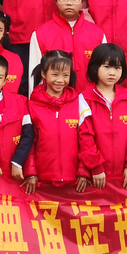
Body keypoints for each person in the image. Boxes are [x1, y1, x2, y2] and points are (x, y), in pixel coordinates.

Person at [17, 49, 93, 194]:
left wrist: (84, 171)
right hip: (42, 180)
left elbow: (85, 140)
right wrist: (30, 172)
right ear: (43, 73)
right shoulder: (32, 105)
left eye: (65, 75)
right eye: (55, 74)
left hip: (74, 181)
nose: (60, 80)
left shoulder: (78, 102)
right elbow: (29, 142)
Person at [80, 44, 127, 188]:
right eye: (107, 67)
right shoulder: (84, 98)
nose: (112, 73)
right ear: (95, 67)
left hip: (125, 175)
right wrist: (95, 166)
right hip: (96, 175)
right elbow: (85, 137)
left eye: (117, 68)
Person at [29, 0, 107, 93]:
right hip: (53, 100)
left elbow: (103, 72)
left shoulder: (97, 33)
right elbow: (35, 75)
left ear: (82, 1)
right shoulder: (40, 34)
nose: (69, 3)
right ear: (56, 1)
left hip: (89, 99)